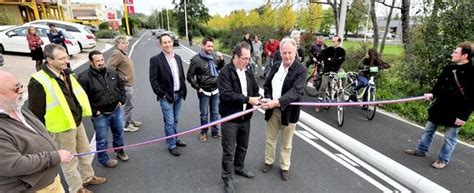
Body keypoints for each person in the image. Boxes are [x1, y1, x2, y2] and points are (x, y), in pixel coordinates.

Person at [28, 44, 106, 193]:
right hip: (61, 127)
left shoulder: (66, 73)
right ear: (49, 60)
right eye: (61, 58)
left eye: (66, 57)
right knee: (69, 161)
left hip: (76, 122)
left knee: (85, 152)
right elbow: (35, 113)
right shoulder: (38, 81)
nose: (66, 60)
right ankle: (76, 189)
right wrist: (43, 135)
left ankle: (88, 178)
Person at [0, 71, 73, 193]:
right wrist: (55, 156)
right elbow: (15, 164)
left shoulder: (15, 107)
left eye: (20, 85)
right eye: (15, 89)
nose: (21, 91)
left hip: (51, 182)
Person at [405, 42, 473, 169]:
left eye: (456, 52)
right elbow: (438, 86)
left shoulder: (471, 73)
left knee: (449, 138)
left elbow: (472, 98)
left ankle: (443, 160)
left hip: (456, 112)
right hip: (439, 107)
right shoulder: (449, 68)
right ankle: (421, 150)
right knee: (428, 130)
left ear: (465, 55)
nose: (452, 54)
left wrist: (463, 116)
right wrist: (431, 94)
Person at [260, 37, 307, 181]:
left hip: (289, 112)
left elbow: (295, 92)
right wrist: (268, 97)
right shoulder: (276, 66)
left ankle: (285, 166)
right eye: (284, 52)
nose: (286, 56)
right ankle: (269, 161)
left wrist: (277, 102)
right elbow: (267, 85)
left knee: (287, 143)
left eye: (289, 53)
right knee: (270, 139)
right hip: (272, 111)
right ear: (280, 53)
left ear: (295, 52)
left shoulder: (301, 70)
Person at [218, 42, 261, 193]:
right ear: (236, 57)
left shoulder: (248, 72)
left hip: (245, 118)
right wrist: (249, 100)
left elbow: (255, 89)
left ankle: (239, 167)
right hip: (230, 118)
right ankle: (227, 178)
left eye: (249, 59)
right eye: (244, 58)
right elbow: (226, 94)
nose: (247, 62)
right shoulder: (225, 72)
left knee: (243, 146)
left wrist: (261, 99)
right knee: (228, 151)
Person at [78, 50, 130, 168]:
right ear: (91, 62)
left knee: (119, 133)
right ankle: (103, 159)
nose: (101, 63)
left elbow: (121, 86)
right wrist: (95, 110)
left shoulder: (112, 73)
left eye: (102, 60)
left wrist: (121, 100)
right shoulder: (84, 78)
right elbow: (82, 98)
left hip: (116, 110)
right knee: (101, 139)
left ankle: (119, 151)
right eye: (98, 61)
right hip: (100, 114)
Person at [149, 33, 188, 156]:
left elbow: (181, 75)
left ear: (172, 42)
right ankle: (172, 145)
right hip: (166, 97)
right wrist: (162, 94)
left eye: (169, 42)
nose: (168, 44)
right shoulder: (156, 60)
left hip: (178, 95)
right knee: (170, 121)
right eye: (164, 42)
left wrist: (182, 90)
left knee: (175, 120)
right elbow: (153, 80)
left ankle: (175, 138)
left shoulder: (178, 58)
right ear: (161, 45)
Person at [187, 37, 225, 142]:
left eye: (212, 46)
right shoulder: (196, 60)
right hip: (203, 91)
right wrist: (197, 87)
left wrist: (221, 60)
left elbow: (220, 68)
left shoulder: (214, 57)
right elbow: (189, 76)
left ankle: (215, 132)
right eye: (208, 46)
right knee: (204, 114)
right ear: (203, 46)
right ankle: (203, 132)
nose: (211, 48)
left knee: (215, 112)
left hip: (215, 90)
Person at [107, 35, 142, 132]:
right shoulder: (117, 54)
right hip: (125, 85)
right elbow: (109, 68)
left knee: (130, 104)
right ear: (117, 44)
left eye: (126, 42)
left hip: (128, 84)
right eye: (123, 43)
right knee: (128, 105)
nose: (126, 44)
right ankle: (127, 125)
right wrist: (120, 79)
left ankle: (130, 120)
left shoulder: (122, 53)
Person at [315, 35, 346, 112]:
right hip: (327, 70)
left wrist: (331, 59)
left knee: (344, 76)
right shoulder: (328, 50)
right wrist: (319, 59)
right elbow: (321, 56)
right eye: (332, 41)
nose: (332, 42)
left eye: (334, 41)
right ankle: (319, 103)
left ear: (338, 42)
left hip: (337, 70)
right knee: (323, 85)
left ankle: (339, 91)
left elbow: (341, 60)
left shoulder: (342, 51)